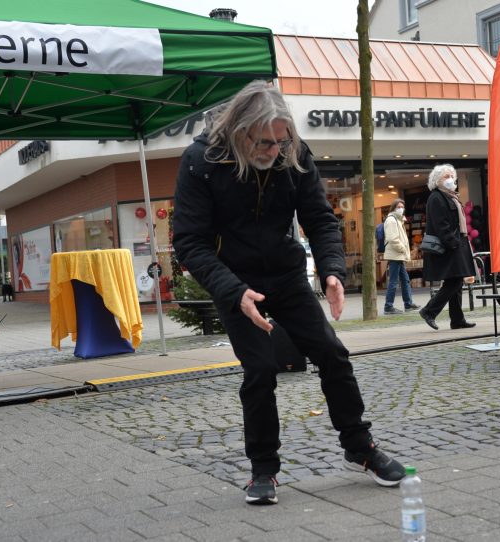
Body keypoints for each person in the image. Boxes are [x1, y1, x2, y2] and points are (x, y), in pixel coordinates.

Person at [172, 80, 405, 506]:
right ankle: (264, 469)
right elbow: (190, 242)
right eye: (264, 142)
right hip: (235, 280)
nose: (274, 151)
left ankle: (360, 447)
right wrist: (233, 291)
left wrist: (333, 271)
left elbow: (318, 217)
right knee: (260, 370)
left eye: (281, 141)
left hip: (285, 273)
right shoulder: (201, 161)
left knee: (332, 353)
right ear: (240, 131)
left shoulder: (294, 152)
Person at [418, 164, 476, 331]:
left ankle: (457, 319)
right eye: (446, 176)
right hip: (449, 246)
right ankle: (429, 311)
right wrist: (453, 243)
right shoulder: (436, 197)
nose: (450, 179)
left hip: (457, 244)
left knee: (456, 280)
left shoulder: (451, 196)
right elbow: (440, 224)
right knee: (455, 281)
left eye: (452, 176)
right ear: (437, 180)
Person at [382, 198, 419, 315]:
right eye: (398, 207)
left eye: (402, 207)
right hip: (395, 255)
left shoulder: (398, 220)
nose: (401, 209)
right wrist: (403, 249)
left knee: (405, 280)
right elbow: (393, 239)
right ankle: (388, 306)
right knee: (393, 281)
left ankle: (408, 304)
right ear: (393, 208)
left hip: (398, 255)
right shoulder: (392, 220)